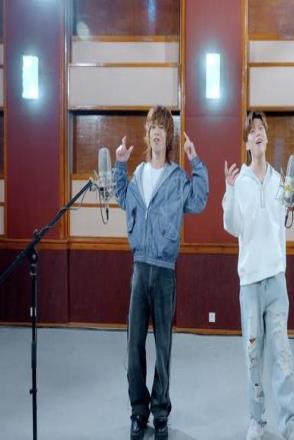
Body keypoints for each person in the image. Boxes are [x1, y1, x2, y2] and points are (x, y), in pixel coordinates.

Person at [114, 105, 209, 440]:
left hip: (165, 270)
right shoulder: (138, 174)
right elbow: (123, 199)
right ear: (148, 133)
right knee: (134, 345)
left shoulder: (177, 177)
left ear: (168, 136)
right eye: (153, 126)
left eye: (163, 127)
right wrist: (120, 165)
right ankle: (138, 411)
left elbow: (198, 201)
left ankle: (160, 411)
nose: (157, 131)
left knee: (163, 346)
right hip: (140, 268)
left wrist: (196, 162)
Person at [222, 111, 294, 440]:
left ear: (266, 138)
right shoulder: (240, 182)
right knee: (253, 355)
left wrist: (291, 197)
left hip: (276, 280)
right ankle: (257, 420)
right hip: (249, 283)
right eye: (252, 130)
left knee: (282, 353)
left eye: (262, 129)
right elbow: (233, 227)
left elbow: (283, 222)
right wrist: (229, 191)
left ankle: (290, 423)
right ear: (247, 142)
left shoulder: (278, 181)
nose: (258, 133)